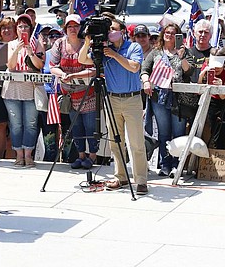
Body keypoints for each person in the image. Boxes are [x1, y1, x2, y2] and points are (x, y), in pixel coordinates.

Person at [79, 16, 148, 195]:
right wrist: (87, 42)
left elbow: (134, 67)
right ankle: (121, 176)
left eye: (113, 29)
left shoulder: (133, 47)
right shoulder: (104, 49)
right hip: (112, 98)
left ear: (122, 31)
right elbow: (82, 60)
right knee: (116, 142)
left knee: (136, 143)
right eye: (108, 30)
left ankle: (141, 180)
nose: (110, 32)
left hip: (132, 99)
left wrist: (115, 55)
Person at [141, 23, 191, 177]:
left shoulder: (184, 51)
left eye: (173, 33)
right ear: (163, 34)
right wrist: (146, 81)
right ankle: (165, 165)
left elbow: (188, 71)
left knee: (178, 132)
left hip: (179, 98)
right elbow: (144, 70)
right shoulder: (155, 53)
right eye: (167, 32)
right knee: (163, 133)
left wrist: (181, 56)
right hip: (159, 97)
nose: (170, 35)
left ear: (178, 35)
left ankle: (177, 165)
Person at [49, 15, 97, 169]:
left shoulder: (87, 44)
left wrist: (75, 75)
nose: (73, 29)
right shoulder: (59, 44)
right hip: (69, 95)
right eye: (69, 26)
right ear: (65, 29)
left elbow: (94, 69)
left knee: (90, 127)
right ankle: (80, 155)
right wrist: (63, 75)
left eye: (76, 26)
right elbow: (52, 66)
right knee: (75, 127)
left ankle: (92, 156)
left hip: (87, 93)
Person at [3, 14, 44, 167]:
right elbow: (11, 66)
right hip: (12, 91)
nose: (23, 29)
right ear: (16, 29)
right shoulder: (11, 44)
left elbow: (39, 66)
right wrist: (18, 49)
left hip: (31, 90)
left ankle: (28, 155)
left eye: (26, 26)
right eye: (20, 26)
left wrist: (30, 51)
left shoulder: (37, 44)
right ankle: (18, 155)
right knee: (15, 124)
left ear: (30, 28)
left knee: (31, 123)